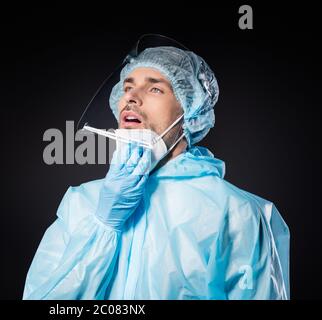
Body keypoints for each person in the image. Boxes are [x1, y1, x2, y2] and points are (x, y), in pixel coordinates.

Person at [22, 40, 290, 300]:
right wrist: (103, 225)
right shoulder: (82, 203)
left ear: (191, 113)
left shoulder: (236, 213)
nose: (130, 97)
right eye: (127, 87)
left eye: (155, 89)